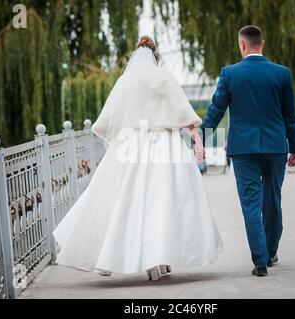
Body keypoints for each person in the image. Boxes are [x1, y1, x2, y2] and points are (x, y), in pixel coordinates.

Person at [53, 36, 223, 281]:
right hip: (165, 144)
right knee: (165, 203)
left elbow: (104, 123)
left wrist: (117, 140)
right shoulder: (164, 78)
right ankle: (161, 261)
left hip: (131, 145)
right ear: (156, 57)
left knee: (132, 203)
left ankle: (151, 263)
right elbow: (183, 114)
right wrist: (197, 141)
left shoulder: (126, 82)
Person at [201, 26, 295, 277]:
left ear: (242, 45)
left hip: (244, 149)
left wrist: (201, 140)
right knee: (272, 199)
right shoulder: (282, 74)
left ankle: (259, 261)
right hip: (276, 146)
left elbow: (216, 110)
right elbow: (290, 117)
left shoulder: (230, 74)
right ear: (262, 44)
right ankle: (271, 251)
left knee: (250, 203)